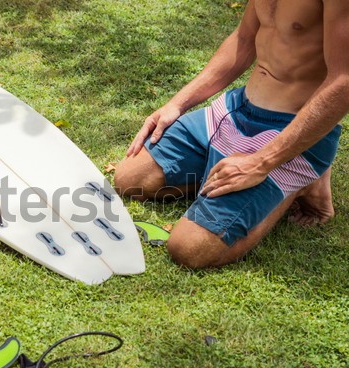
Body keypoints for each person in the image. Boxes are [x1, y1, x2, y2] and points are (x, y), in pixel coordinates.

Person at [114, 0, 349, 268]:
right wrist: (176, 104)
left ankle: (301, 181)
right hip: (238, 109)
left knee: (189, 249)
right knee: (129, 178)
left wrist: (261, 163)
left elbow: (344, 81)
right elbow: (245, 37)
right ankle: (224, 175)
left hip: (290, 130)